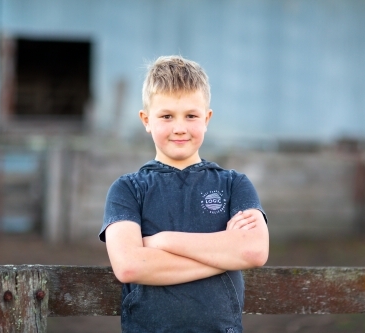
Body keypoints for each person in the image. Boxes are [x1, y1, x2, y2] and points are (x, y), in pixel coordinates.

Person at [99, 55, 269, 333]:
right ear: (146, 120)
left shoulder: (234, 184)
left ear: (207, 118)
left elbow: (254, 251)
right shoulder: (127, 189)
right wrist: (225, 254)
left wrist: (163, 241)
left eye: (191, 115)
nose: (180, 127)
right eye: (166, 116)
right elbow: (129, 266)